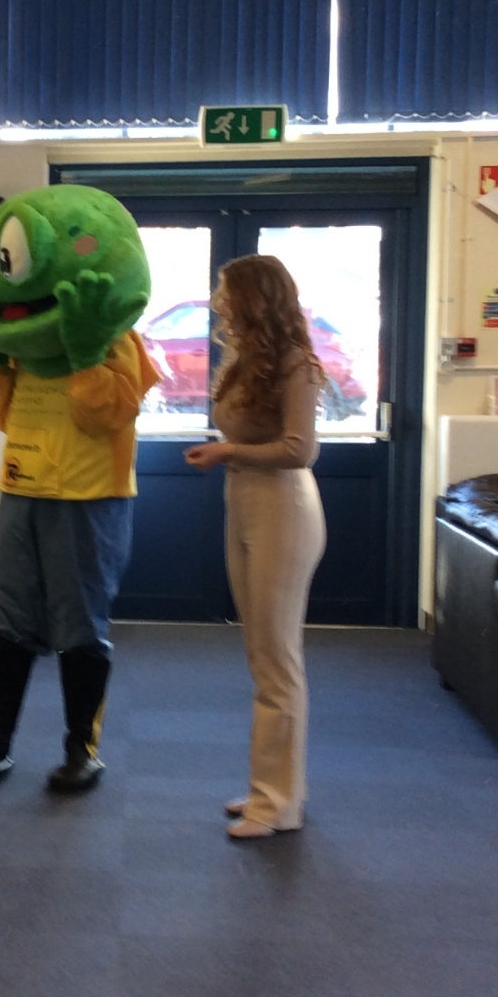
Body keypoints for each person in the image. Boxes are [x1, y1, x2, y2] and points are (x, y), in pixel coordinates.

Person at [0, 184, 158, 793]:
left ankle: (82, 749)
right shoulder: (24, 350)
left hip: (89, 498)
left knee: (79, 626)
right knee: (7, 621)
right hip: (22, 491)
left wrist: (85, 357)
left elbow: (107, 414)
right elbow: (2, 414)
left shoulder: (114, 339)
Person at [184, 254, 327, 839]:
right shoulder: (246, 357)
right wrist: (231, 454)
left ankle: (277, 804)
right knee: (261, 654)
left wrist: (227, 451)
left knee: (276, 658)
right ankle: (274, 788)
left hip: (284, 509)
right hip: (243, 501)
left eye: (226, 291)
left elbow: (300, 450)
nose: (218, 301)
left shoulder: (297, 363)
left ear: (256, 297)